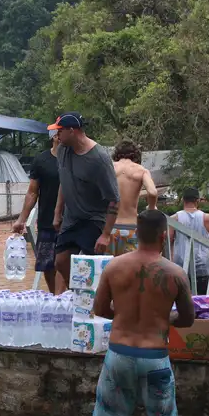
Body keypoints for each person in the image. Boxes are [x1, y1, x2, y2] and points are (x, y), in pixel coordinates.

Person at [68, 210, 193, 416]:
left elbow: (99, 309)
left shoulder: (114, 266)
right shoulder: (175, 273)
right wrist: (163, 317)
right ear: (164, 236)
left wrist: (124, 316)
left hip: (119, 354)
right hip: (155, 358)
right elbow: (188, 319)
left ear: (137, 234)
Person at [48, 113, 120, 294]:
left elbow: (114, 199)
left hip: (93, 219)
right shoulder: (63, 150)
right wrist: (57, 214)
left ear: (72, 131)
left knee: (89, 267)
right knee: (60, 262)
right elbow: (64, 183)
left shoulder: (99, 159)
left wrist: (105, 234)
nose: (57, 136)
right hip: (71, 219)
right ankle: (80, 295)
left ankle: (99, 301)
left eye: (60, 131)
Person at [13, 131, 61, 291]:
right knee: (47, 264)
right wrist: (21, 219)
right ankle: (56, 298)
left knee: (67, 263)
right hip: (47, 221)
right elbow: (32, 192)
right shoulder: (41, 161)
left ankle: (67, 299)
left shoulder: (77, 159)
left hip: (72, 221)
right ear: (55, 137)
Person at [111, 140, 158, 257]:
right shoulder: (141, 171)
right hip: (131, 228)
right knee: (130, 270)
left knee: (108, 268)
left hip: (109, 227)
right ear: (135, 155)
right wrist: (151, 209)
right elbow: (152, 192)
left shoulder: (109, 168)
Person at [169, 187, 209, 294]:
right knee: (202, 300)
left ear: (183, 200)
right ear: (197, 200)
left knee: (182, 300)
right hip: (202, 265)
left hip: (180, 265)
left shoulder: (174, 219)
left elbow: (169, 241)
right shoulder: (208, 219)